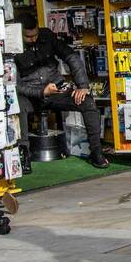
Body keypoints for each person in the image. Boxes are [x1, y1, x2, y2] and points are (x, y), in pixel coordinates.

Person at [15, 19, 108, 169]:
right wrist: (41, 91)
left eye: (35, 35)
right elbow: (15, 84)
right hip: (30, 94)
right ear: (20, 34)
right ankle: (24, 154)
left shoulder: (47, 35)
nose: (32, 39)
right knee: (18, 105)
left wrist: (82, 85)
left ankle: (97, 152)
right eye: (28, 37)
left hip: (56, 89)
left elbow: (72, 57)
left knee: (87, 101)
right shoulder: (12, 46)